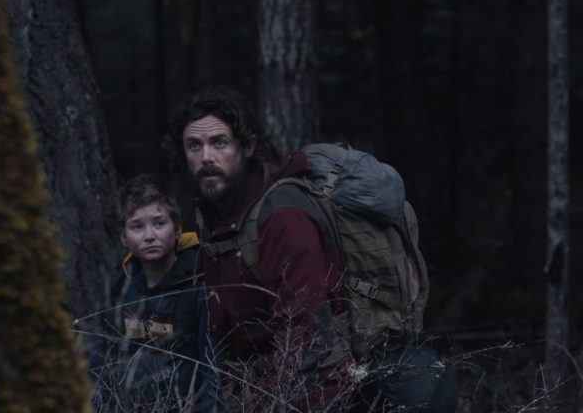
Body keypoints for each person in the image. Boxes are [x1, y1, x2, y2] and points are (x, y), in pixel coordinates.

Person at [161, 85, 457, 412]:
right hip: (264, 383)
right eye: (194, 145)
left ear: (247, 147)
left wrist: (264, 404)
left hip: (329, 390)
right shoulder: (215, 216)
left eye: (219, 143)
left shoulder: (282, 216)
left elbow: (306, 335)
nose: (206, 157)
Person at [85, 174, 216, 412]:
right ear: (124, 237)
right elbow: (99, 363)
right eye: (137, 227)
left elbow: (212, 363)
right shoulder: (120, 293)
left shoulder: (197, 285)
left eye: (159, 223)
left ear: (177, 228)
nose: (149, 236)